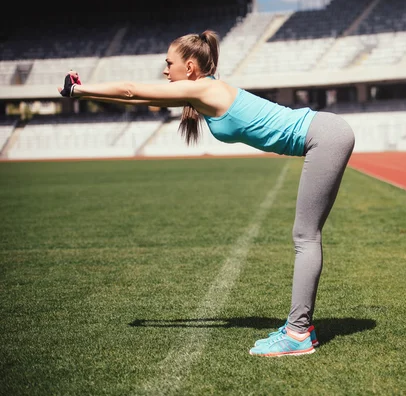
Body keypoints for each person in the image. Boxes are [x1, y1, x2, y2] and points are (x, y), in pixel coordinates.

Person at [58, 30, 355, 357]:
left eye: (168, 63)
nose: (164, 70)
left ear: (189, 67)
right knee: (305, 235)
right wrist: (83, 96)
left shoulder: (207, 88)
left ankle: (298, 333)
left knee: (305, 236)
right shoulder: (202, 90)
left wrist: (81, 88)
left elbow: (131, 90)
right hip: (324, 134)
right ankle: (298, 329)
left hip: (324, 135)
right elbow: (142, 98)